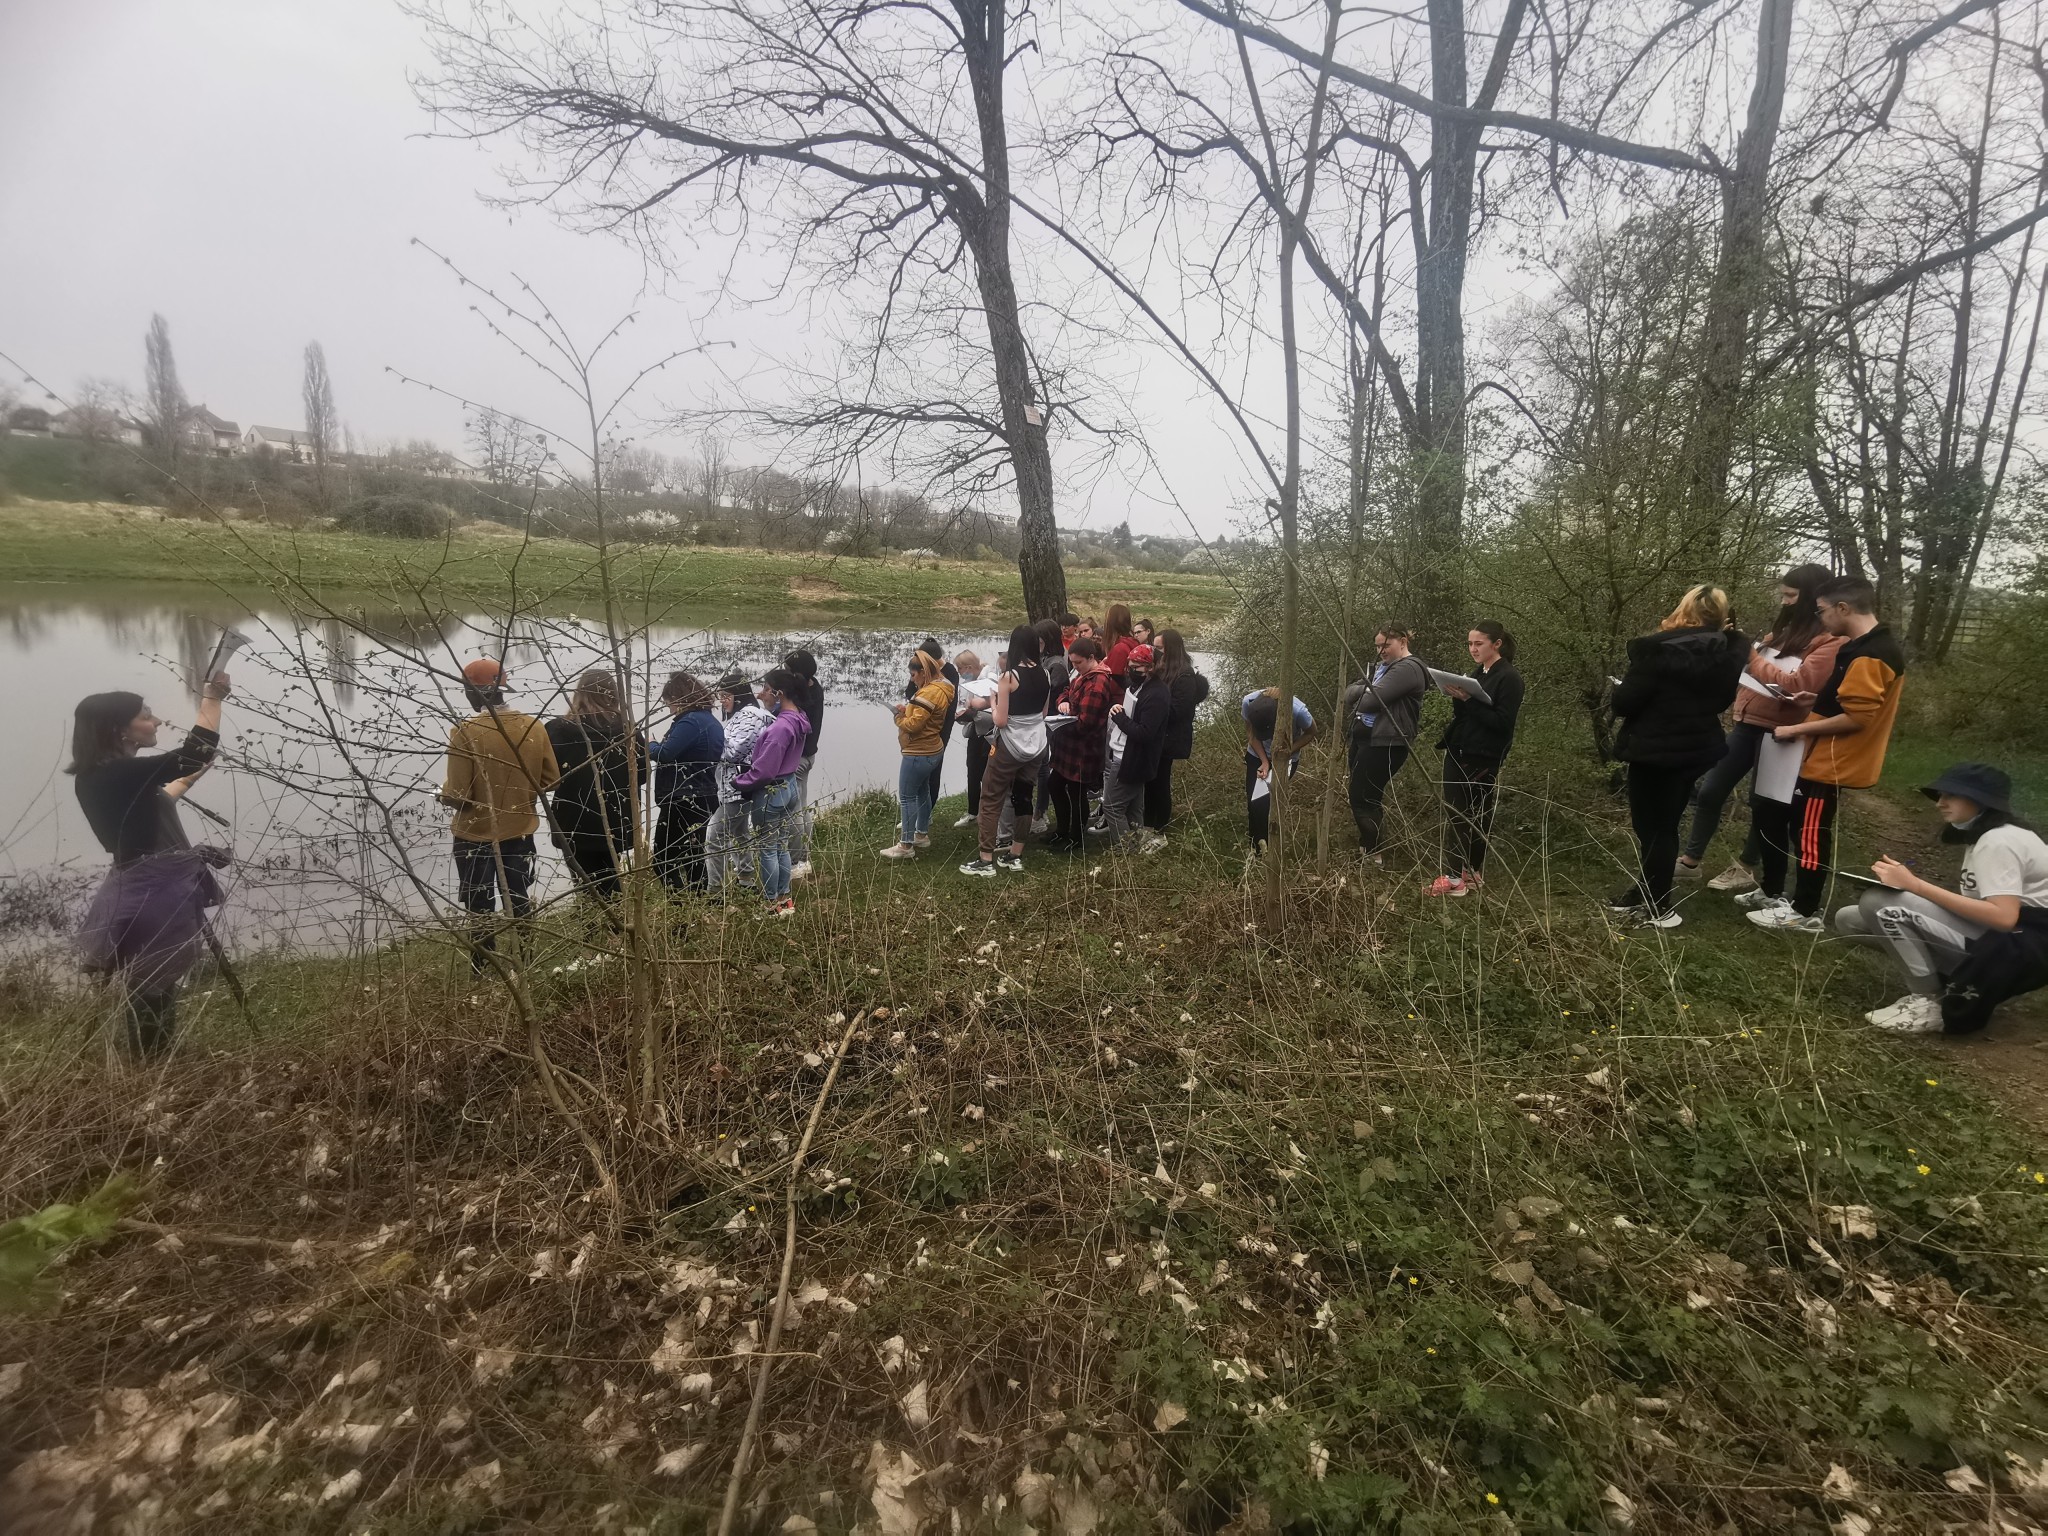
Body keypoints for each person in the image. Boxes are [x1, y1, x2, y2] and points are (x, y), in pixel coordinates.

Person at [70, 670, 233, 1057]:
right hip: (153, 892)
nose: (156, 721)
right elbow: (196, 752)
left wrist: (189, 777)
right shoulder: (117, 774)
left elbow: (159, 797)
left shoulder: (109, 775)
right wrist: (213, 697)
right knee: (151, 982)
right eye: (145, 715)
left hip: (143, 884)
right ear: (118, 729)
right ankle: (151, 1064)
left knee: (152, 982)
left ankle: (154, 1061)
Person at [1746, 575, 1908, 933]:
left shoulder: (1872, 654)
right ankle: (1791, 898)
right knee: (1793, 825)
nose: (1820, 619)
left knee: (1810, 835)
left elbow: (1858, 717)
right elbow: (1846, 701)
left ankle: (1805, 912)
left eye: (1822, 612)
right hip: (1819, 756)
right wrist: (1813, 701)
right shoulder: (1860, 646)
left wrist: (1797, 729)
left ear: (1843, 608)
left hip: (1833, 761)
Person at [1834, 764, 2048, 1035]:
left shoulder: (1999, 841)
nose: (1939, 803)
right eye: (1940, 795)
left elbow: (2004, 918)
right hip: (2008, 944)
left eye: (1951, 795)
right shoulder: (1989, 837)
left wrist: (1915, 886)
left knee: (1880, 903)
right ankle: (1956, 982)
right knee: (1850, 919)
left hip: (2020, 950)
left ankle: (1928, 1001)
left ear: (1981, 800)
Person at [1679, 565, 1841, 889]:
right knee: (1711, 791)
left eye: (1790, 595)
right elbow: (1754, 669)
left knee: (1763, 802)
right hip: (1747, 723)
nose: (1783, 602)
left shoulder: (1828, 642)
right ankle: (1690, 862)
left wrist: (1749, 653)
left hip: (1783, 731)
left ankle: (1746, 867)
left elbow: (1799, 683)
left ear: (1811, 597)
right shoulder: (1781, 633)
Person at [1606, 587, 1748, 927]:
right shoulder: (1725, 652)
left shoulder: (1658, 650)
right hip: (1695, 747)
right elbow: (1717, 702)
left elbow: (1625, 703)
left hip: (1656, 748)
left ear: (1684, 611)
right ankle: (1644, 893)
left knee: (1653, 828)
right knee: (1664, 825)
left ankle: (1659, 907)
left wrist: (1619, 688)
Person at [439, 658, 562, 970]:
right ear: (503, 689)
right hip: (521, 830)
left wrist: (442, 793)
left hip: (474, 835)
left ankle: (483, 965)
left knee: (479, 904)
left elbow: (457, 796)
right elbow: (551, 780)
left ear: (473, 693)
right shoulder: (533, 726)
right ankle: (527, 961)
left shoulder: (465, 732)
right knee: (519, 898)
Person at [1429, 621, 1525, 898]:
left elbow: (1503, 722)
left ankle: (1454, 878)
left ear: (1496, 644)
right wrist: (1458, 698)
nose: (1473, 649)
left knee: (1465, 814)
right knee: (1466, 812)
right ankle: (1470, 873)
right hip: (1460, 748)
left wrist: (1469, 702)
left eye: (1478, 643)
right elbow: (1465, 716)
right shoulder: (1479, 673)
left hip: (1482, 755)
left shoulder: (1509, 677)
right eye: (1470, 644)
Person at [545, 669, 648, 902]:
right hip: (617, 816)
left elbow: (547, 778)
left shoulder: (557, 730)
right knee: (611, 873)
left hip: (574, 819)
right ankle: (617, 927)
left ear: (578, 693)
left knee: (584, 884)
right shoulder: (627, 729)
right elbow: (642, 774)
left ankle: (596, 928)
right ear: (612, 694)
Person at [961, 625, 1050, 877]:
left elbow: (1000, 721)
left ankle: (985, 859)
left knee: (990, 798)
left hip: (1010, 745)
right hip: (1037, 744)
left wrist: (992, 699)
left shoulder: (1008, 677)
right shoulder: (1046, 673)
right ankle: (1015, 855)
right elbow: (1042, 714)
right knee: (1023, 796)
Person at [1340, 624, 1430, 863]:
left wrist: (1364, 694)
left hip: (1386, 741)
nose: (1381, 651)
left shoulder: (1407, 669)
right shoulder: (1383, 667)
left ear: (1402, 641)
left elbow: (1370, 702)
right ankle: (1370, 850)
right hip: (1366, 738)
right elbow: (1348, 693)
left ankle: (1372, 854)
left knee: (1362, 796)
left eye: (1386, 645)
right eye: (1378, 646)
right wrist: (1363, 691)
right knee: (1367, 795)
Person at [735, 667, 811, 917]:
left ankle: (770, 903)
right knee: (781, 846)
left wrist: (740, 782)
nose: (761, 694)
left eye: (766, 689)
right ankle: (784, 899)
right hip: (789, 787)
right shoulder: (798, 718)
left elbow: (764, 771)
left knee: (768, 849)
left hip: (772, 792)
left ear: (778, 693)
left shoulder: (780, 729)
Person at [649, 670, 724, 893]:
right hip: (704, 796)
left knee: (663, 859)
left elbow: (665, 753)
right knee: (693, 855)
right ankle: (697, 904)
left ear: (679, 699)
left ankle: (678, 904)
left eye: (669, 702)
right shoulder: (710, 721)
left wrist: (650, 744)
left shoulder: (691, 722)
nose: (669, 709)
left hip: (683, 799)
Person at [882, 648, 955, 859]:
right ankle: (921, 834)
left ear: (923, 672)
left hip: (918, 752)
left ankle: (905, 845)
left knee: (906, 797)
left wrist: (898, 716)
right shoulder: (943, 688)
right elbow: (925, 716)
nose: (912, 680)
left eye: (913, 675)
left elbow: (914, 726)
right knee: (922, 791)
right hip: (934, 748)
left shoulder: (927, 693)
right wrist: (909, 710)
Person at [1047, 636, 1115, 851]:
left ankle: (1076, 837)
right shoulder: (1082, 673)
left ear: (1091, 658)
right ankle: (1062, 830)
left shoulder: (1098, 682)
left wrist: (1060, 723)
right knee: (1055, 785)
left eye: (1078, 663)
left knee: (1077, 794)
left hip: (1083, 749)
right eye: (1073, 663)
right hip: (1068, 747)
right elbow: (1065, 691)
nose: (1074, 667)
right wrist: (1063, 702)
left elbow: (1085, 723)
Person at [708, 668, 772, 893]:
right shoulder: (748, 714)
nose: (722, 701)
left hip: (738, 788)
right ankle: (746, 880)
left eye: (726, 695)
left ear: (739, 695)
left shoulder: (749, 716)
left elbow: (733, 752)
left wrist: (708, 741)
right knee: (740, 833)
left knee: (713, 837)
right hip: (739, 787)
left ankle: (714, 892)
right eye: (720, 696)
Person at [1102, 643, 1170, 848]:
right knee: (1133, 808)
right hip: (1130, 754)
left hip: (1133, 759)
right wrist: (1119, 709)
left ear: (1150, 667)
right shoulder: (1140, 686)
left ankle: (1127, 851)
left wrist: (1121, 718)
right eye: (1129, 666)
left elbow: (1145, 732)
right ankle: (1138, 851)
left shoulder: (1157, 694)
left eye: (1136, 668)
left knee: (1112, 807)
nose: (1131, 671)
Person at [1145, 628, 1210, 842]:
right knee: (1151, 780)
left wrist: (1152, 710)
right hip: (1157, 736)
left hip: (1169, 739)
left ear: (1170, 648)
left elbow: (1178, 710)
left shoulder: (1184, 675)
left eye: (1159, 647)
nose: (1155, 651)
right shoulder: (1163, 670)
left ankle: (1160, 826)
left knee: (1161, 781)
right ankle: (1148, 822)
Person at [1241, 688, 1317, 853]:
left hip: (1286, 757)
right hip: (1257, 754)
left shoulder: (1298, 710)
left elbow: (1311, 732)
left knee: (1268, 800)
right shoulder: (1248, 702)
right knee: (1253, 801)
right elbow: (1251, 734)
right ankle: (1256, 848)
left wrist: (1288, 752)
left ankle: (1271, 848)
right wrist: (1264, 761)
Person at [783, 649, 824, 880]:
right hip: (809, 756)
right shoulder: (815, 688)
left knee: (794, 810)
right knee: (803, 806)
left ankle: (798, 861)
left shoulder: (799, 701)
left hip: (797, 759)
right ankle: (804, 858)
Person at [951, 650, 997, 828]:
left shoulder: (990, 678)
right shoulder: (969, 682)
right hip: (975, 732)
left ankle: (988, 811)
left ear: (969, 667)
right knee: (972, 771)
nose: (960, 673)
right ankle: (972, 811)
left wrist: (974, 711)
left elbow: (994, 706)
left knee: (988, 774)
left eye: (960, 669)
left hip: (989, 733)